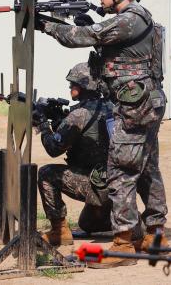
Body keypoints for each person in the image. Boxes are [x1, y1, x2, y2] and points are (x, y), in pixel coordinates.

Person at [37, 0, 168, 268]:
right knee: (148, 168)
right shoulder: (136, 18)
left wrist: (47, 25)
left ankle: (124, 244)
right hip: (144, 102)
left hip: (135, 106)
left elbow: (83, 36)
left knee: (121, 169)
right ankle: (155, 234)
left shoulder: (130, 20)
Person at [37, 62, 113, 245]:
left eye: (74, 84)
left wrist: (42, 124)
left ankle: (59, 231)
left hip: (98, 185)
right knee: (87, 224)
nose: (71, 86)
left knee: (46, 174)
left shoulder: (79, 115)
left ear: (86, 86)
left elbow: (53, 149)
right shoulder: (108, 106)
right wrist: (59, 122)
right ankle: (122, 222)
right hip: (116, 184)